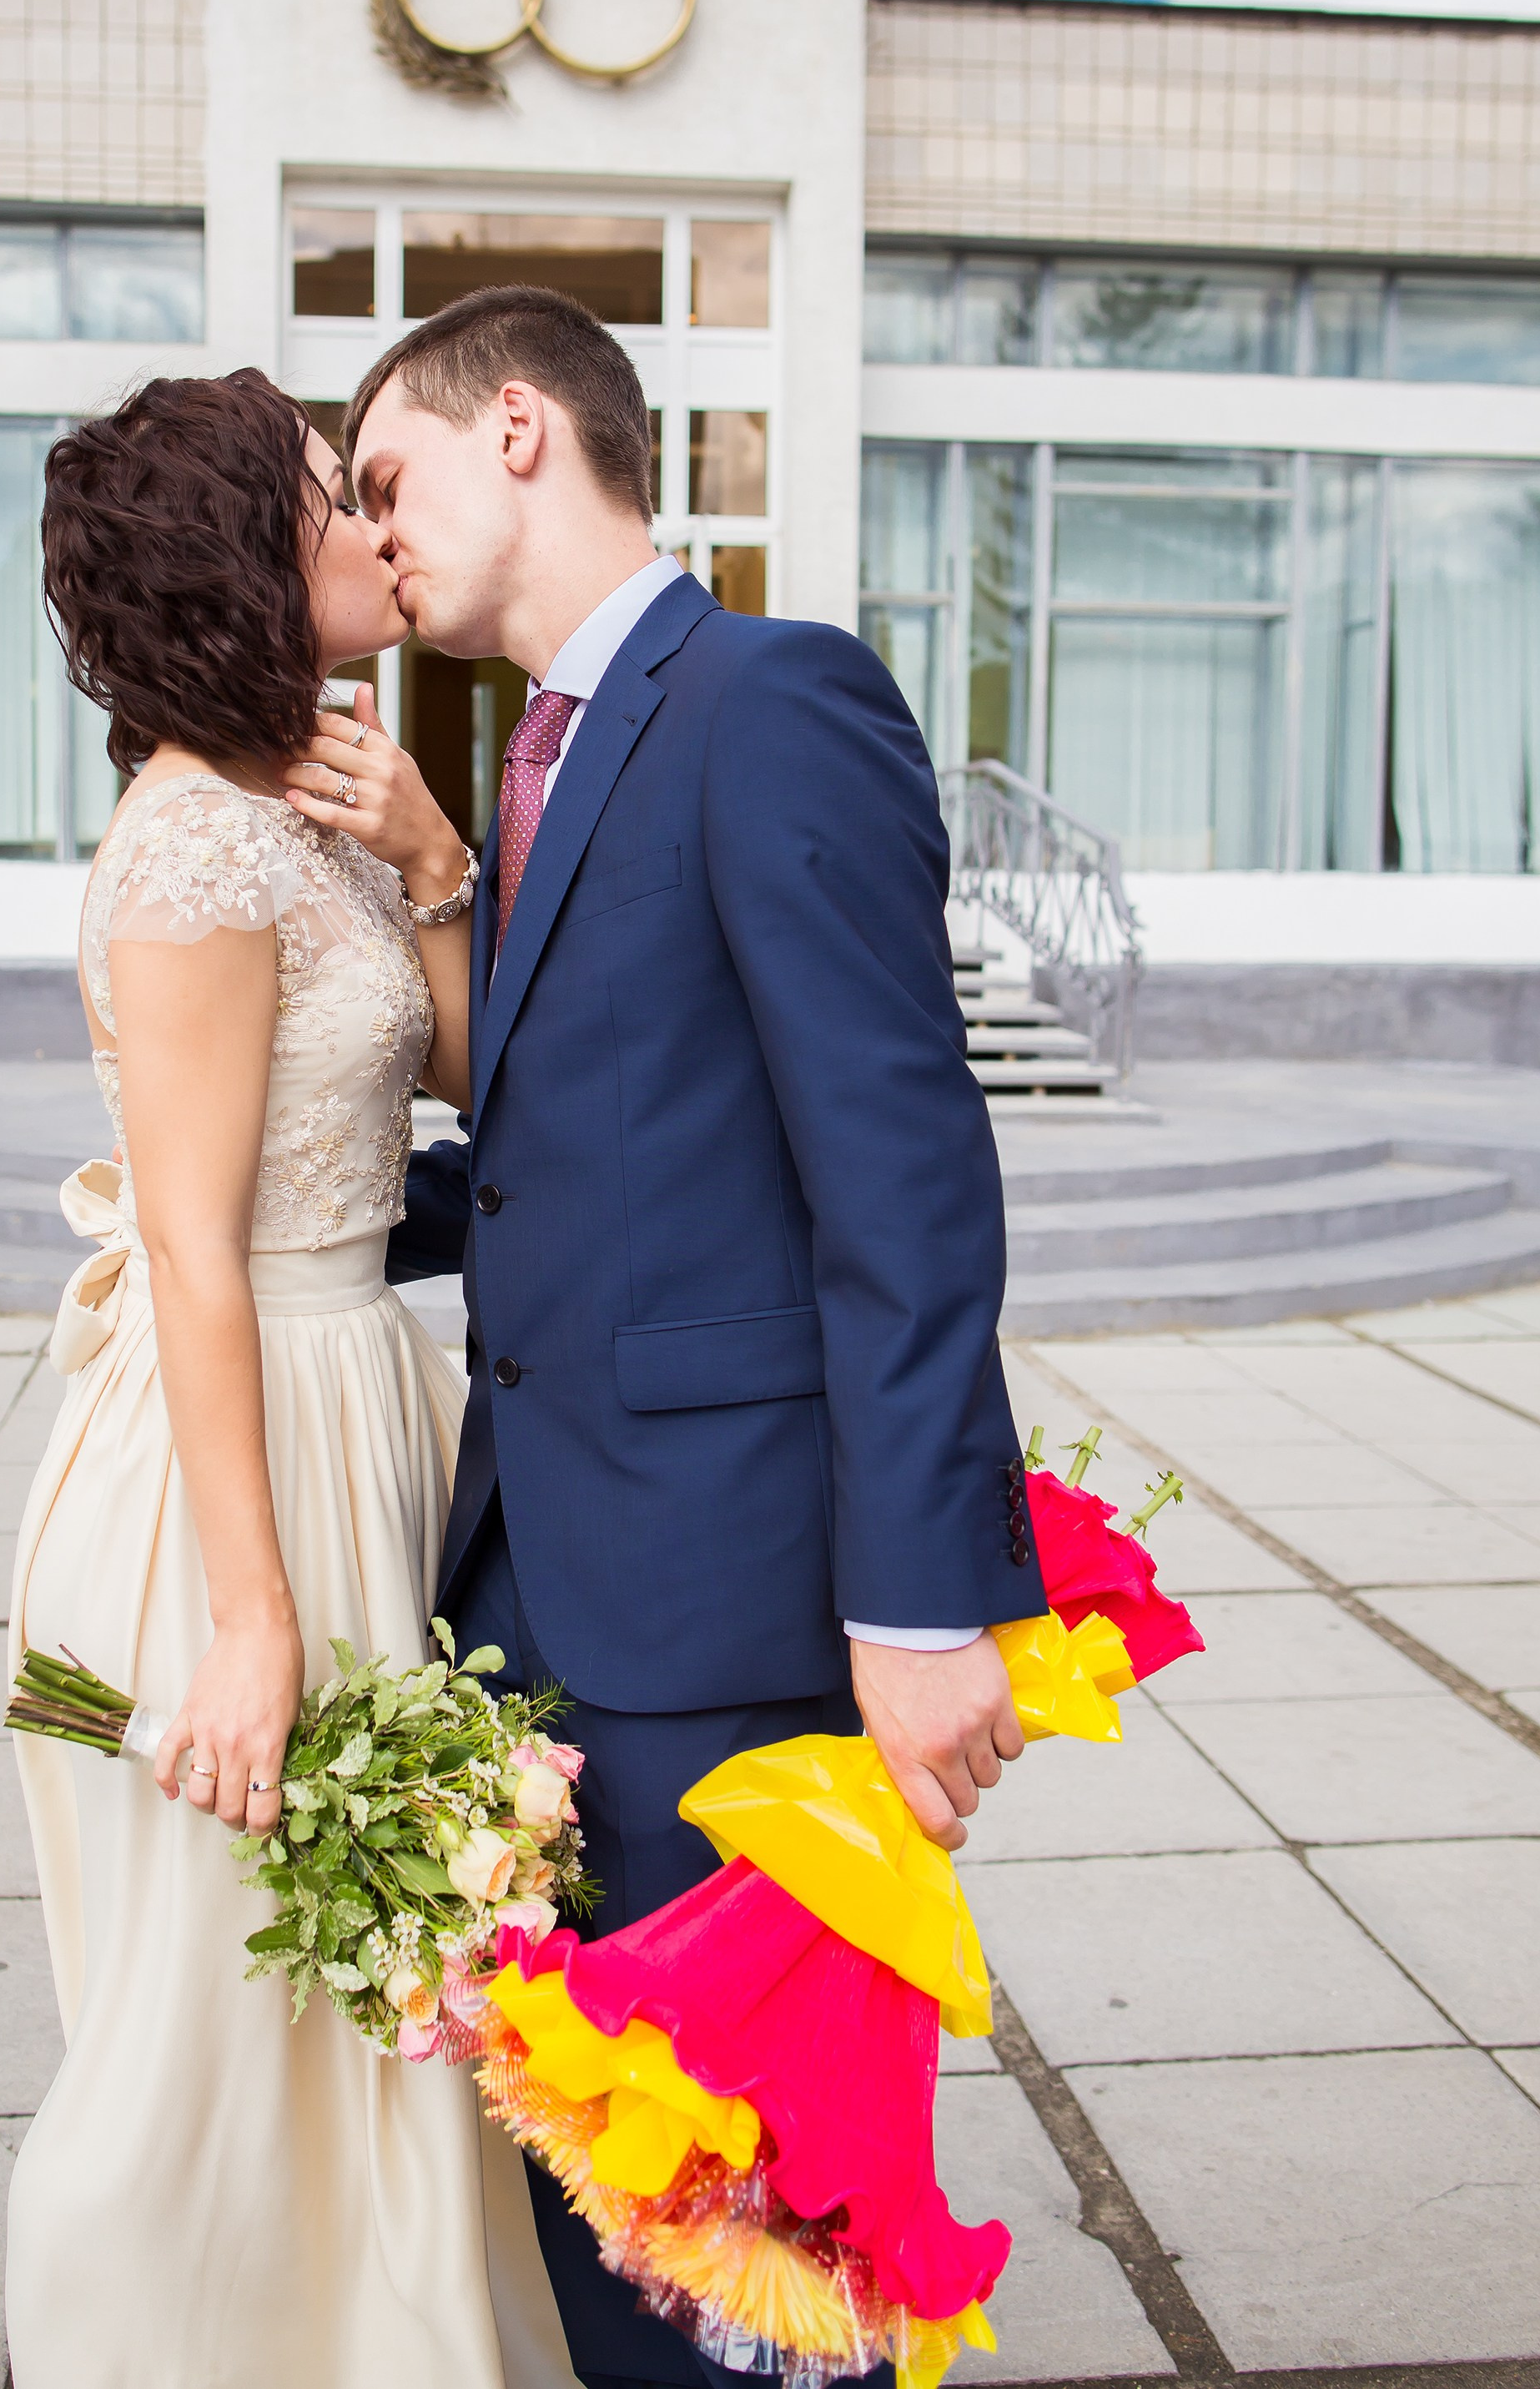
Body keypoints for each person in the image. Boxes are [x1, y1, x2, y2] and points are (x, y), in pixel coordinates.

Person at [345, 287, 1048, 2389]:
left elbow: (898, 1160)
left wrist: (926, 1599)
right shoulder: (531, 756)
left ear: (520, 432)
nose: (372, 535)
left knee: (756, 2258)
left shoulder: (769, 697)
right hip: (544, 1590)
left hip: (732, 1607)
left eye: (387, 479)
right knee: (622, 2230)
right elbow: (606, 1153)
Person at [6, 370, 576, 2389]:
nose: (374, 521)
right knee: (216, 2012)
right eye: (338, 493)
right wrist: (251, 1621)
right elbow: (186, 1246)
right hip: (229, 1447)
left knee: (392, 1987)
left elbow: (455, 1078)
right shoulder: (188, 850)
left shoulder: (310, 795)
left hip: (364, 1398)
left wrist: (430, 858)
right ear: (249, 552)